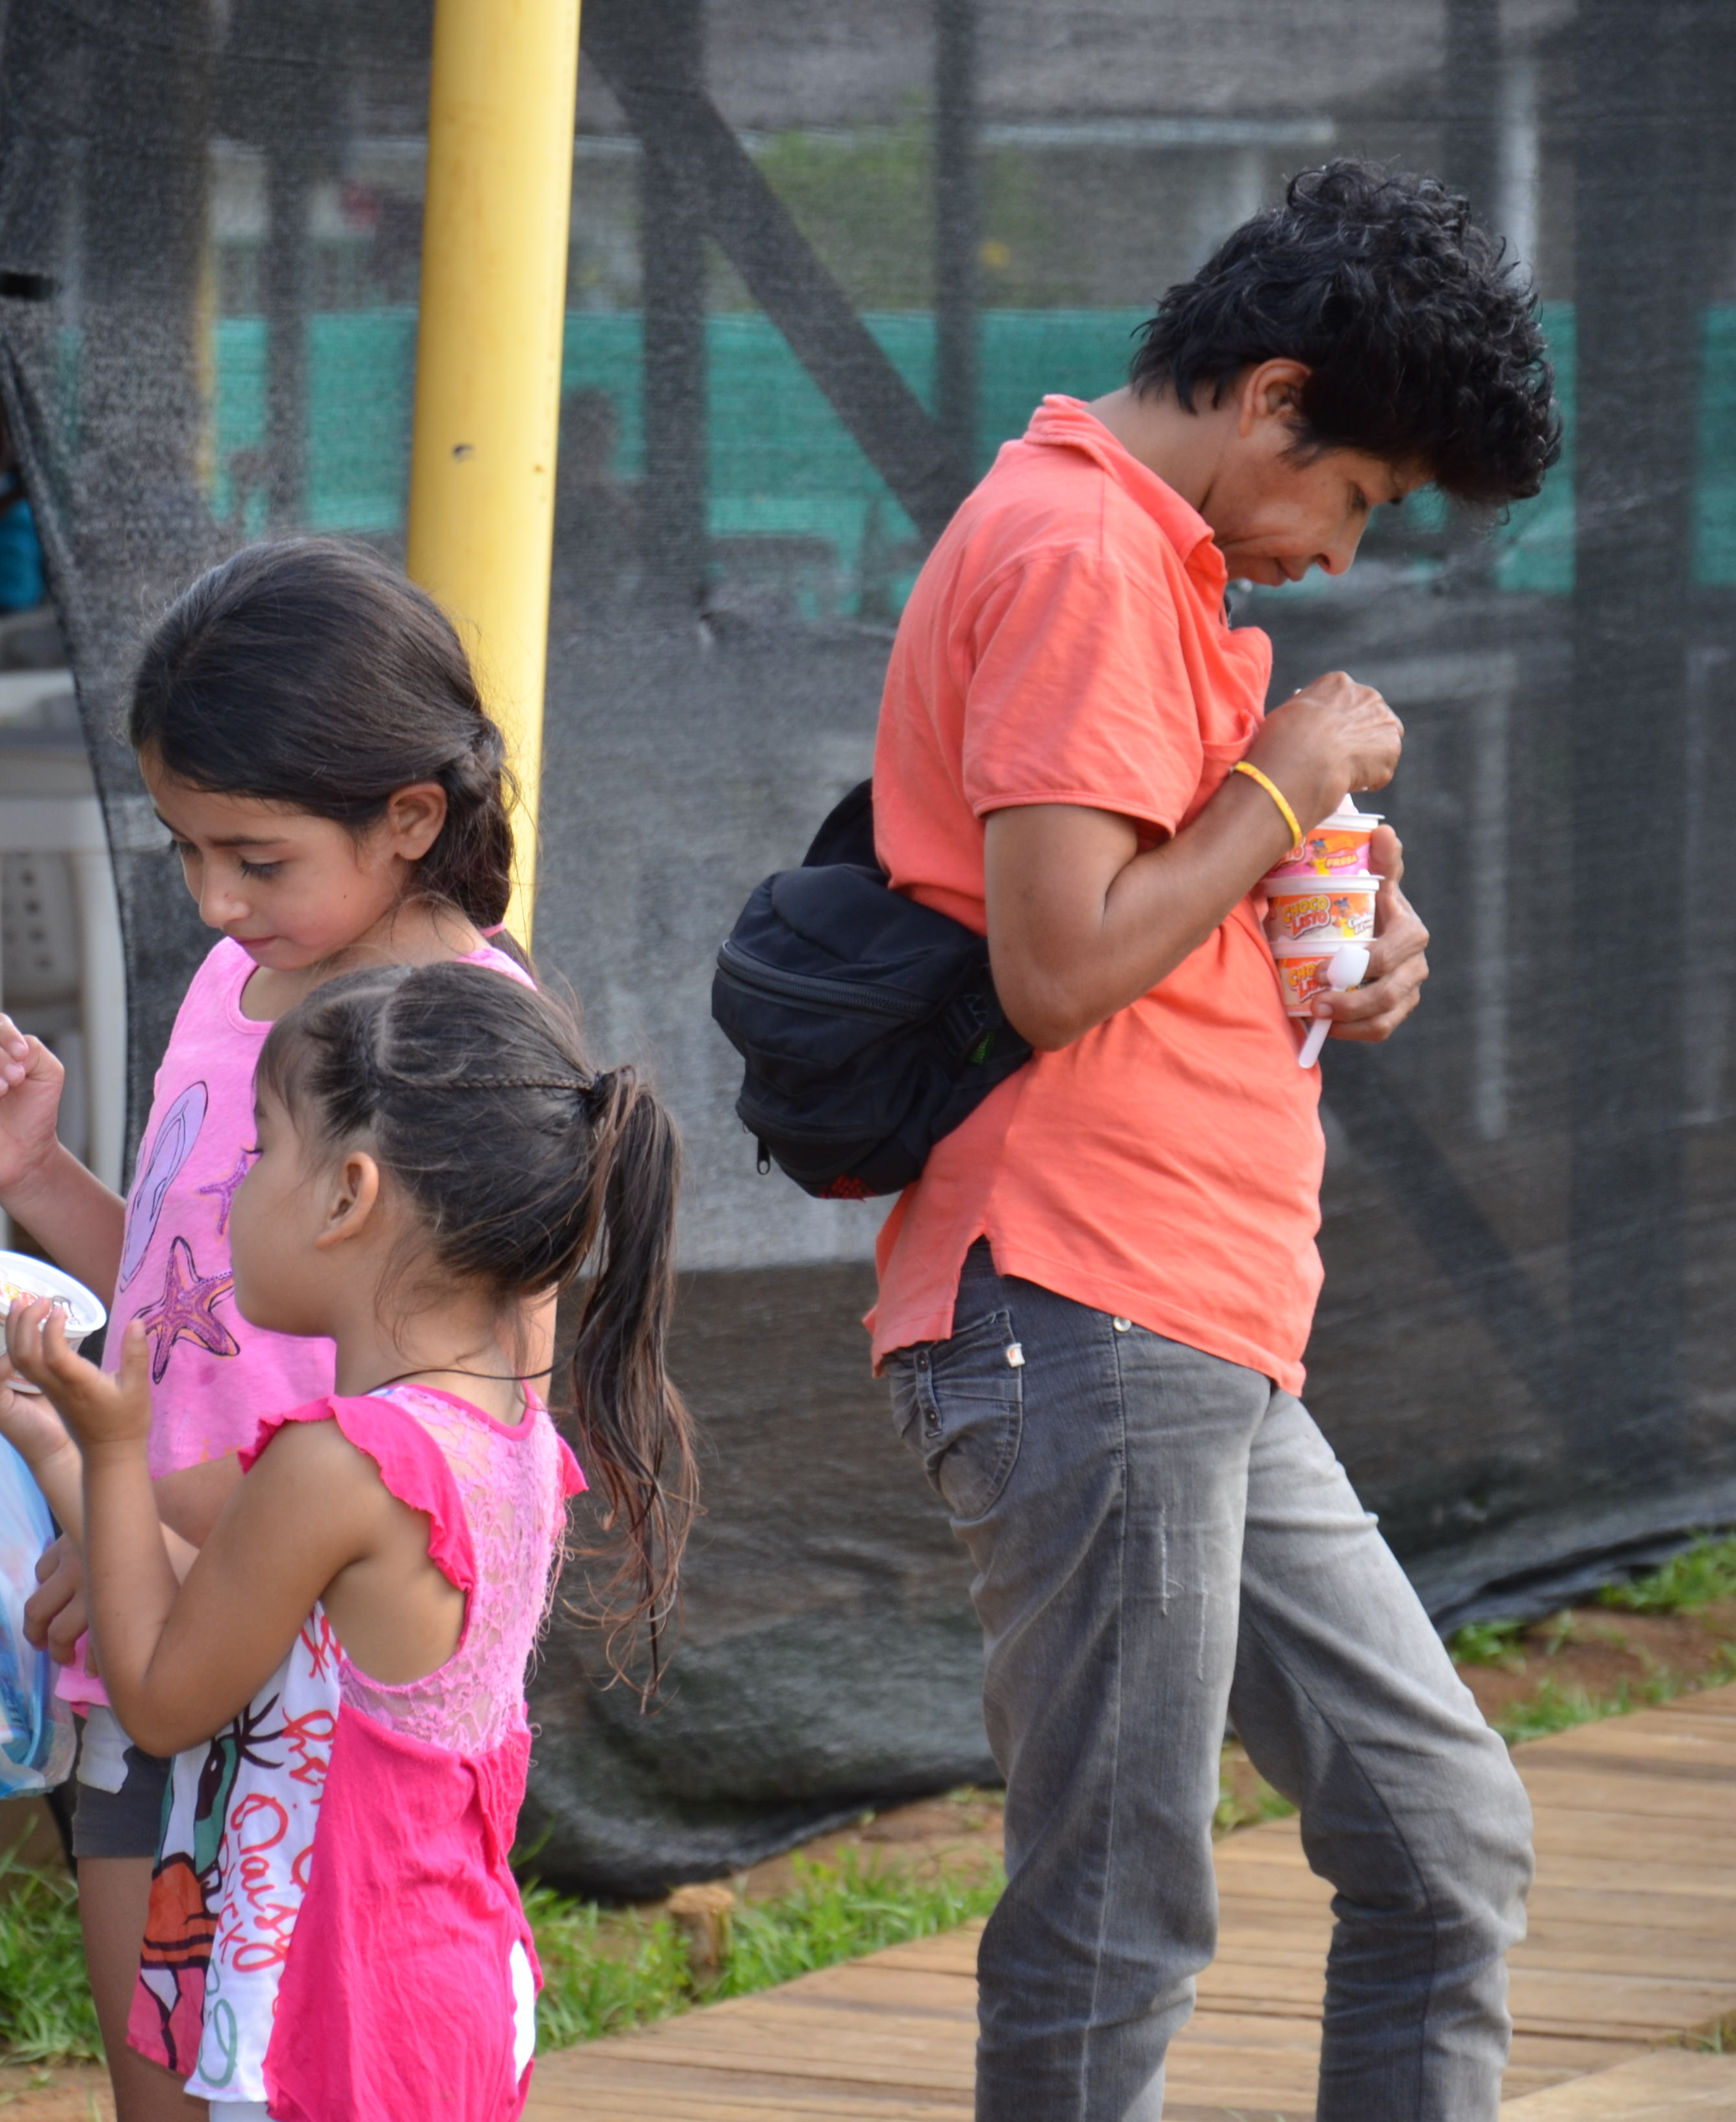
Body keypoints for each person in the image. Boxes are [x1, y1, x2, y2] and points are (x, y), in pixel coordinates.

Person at [864, 161, 1561, 2118]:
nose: (1340, 553)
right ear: (1271, 399)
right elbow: (1061, 959)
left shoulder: (1155, 569)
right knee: (1117, 1910)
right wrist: (1291, 771)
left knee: (1441, 1839)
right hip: (1084, 1302)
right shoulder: (1083, 546)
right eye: (1351, 496)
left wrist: (1338, 927)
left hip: (1194, 1324)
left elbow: (1156, 905)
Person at [0, 538, 539, 2119]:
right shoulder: (229, 982)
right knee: (169, 2068)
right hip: (150, 1618)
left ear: (409, 819)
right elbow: (200, 1284)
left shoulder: (472, 1047)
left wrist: (134, 1515)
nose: (212, 897)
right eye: (186, 848)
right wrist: (42, 1182)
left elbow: (487, 1405)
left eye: (255, 858)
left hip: (316, 1694)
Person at [0, 960, 693, 2122]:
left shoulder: (342, 1462)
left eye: (261, 1154)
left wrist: (107, 1450)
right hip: (445, 1990)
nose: (229, 1195)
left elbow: (165, 1699)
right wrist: (59, 1441)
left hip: (335, 2016)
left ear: (348, 1195)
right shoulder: (507, 1436)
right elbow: (257, 1630)